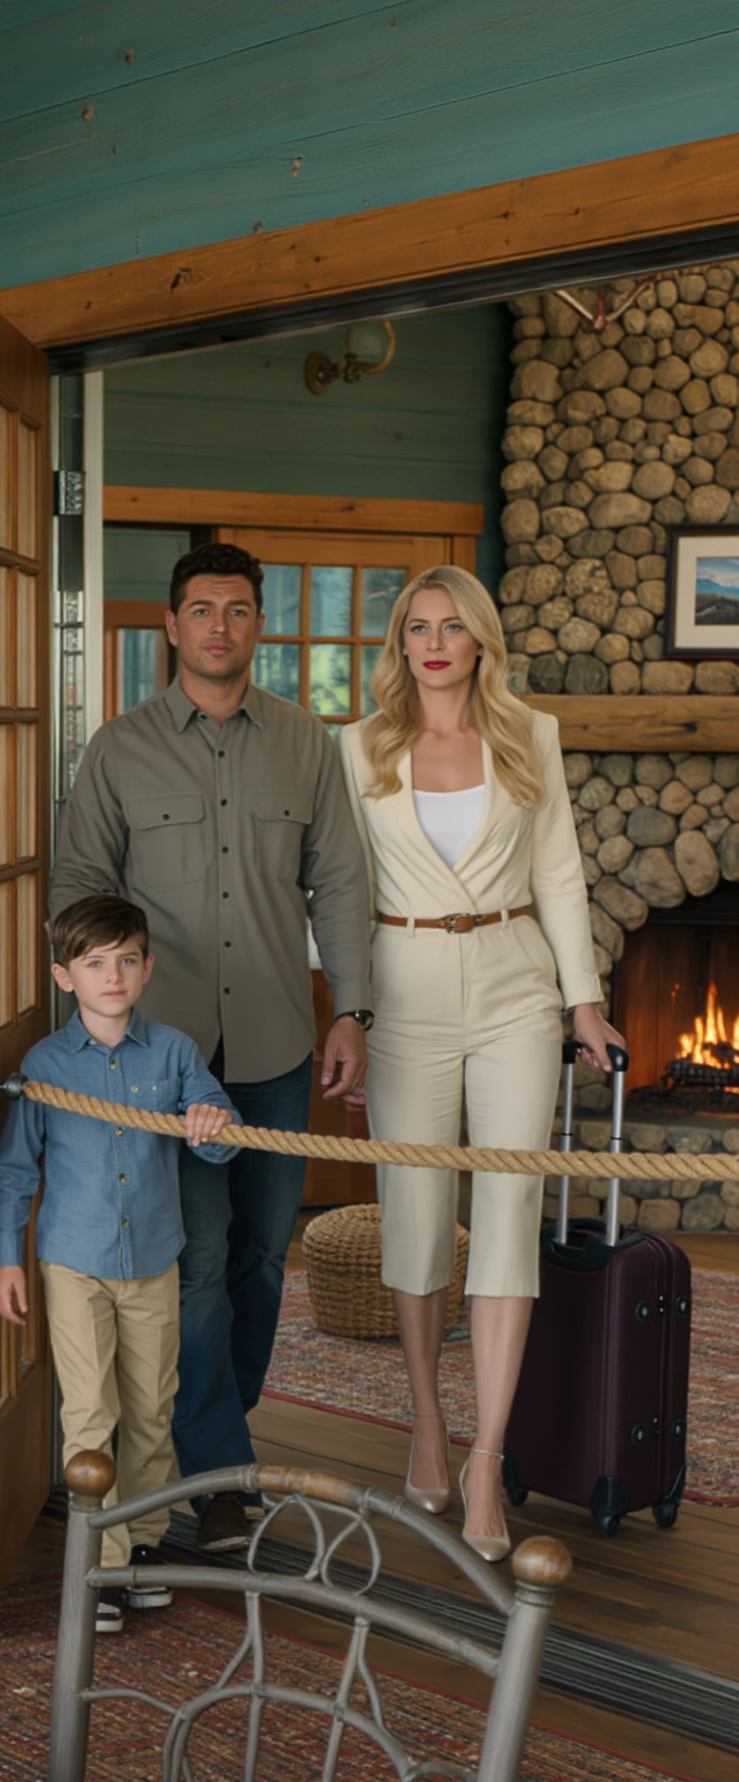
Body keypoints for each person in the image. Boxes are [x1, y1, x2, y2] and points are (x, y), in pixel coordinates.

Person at [50, 543, 373, 1553]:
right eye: (201, 609)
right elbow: (77, 888)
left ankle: (210, 1444)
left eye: (237, 609)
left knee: (262, 1260)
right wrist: (99, 1018)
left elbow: (341, 882)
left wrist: (351, 1010)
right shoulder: (119, 749)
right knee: (193, 1263)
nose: (219, 626)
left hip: (275, 1040)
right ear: (171, 625)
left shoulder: (307, 744)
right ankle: (219, 1472)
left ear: (257, 624)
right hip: (158, 1058)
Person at [338, 564, 623, 1560]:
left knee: (505, 1218)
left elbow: (559, 874)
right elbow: (337, 885)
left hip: (514, 990)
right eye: (416, 627)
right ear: (399, 643)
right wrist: (345, 1011)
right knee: (415, 1216)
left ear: (479, 642)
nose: (432, 643)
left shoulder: (528, 735)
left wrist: (583, 1001)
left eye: (450, 627)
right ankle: (427, 1417)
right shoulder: (357, 746)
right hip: (402, 991)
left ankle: (487, 1458)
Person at [0, 894, 236, 1631]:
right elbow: (14, 1170)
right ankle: (98, 1563)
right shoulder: (45, 1065)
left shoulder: (176, 1053)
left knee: (152, 1410)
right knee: (90, 1414)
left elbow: (222, 1142)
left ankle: (143, 1547)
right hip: (74, 1263)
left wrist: (212, 1121)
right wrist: (7, 1260)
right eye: (95, 964)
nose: (114, 976)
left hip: (154, 1259)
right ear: (65, 977)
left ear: (148, 967)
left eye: (126, 960)